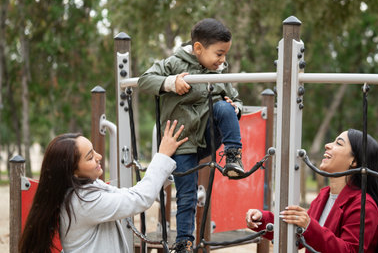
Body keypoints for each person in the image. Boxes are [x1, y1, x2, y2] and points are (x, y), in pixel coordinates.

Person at [138, 18, 245, 252]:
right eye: (219, 53)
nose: (222, 60)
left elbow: (236, 98)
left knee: (225, 108)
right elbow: (144, 80)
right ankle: (184, 243)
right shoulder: (174, 64)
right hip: (182, 141)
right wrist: (170, 83)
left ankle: (233, 156)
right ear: (198, 48)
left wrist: (235, 107)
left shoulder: (218, 72)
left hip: (208, 135)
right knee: (187, 195)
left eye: (225, 54)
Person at [19, 120, 188, 253]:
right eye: (90, 157)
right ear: (74, 172)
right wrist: (162, 156)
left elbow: (128, 194)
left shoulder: (85, 189)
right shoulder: (83, 200)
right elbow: (138, 199)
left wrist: (167, 173)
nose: (99, 156)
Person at [246, 129, 378, 253]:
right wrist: (262, 219)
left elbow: (349, 250)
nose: (327, 145)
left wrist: (309, 226)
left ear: (354, 161)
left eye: (338, 143)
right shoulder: (324, 195)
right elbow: (300, 236)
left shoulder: (364, 205)